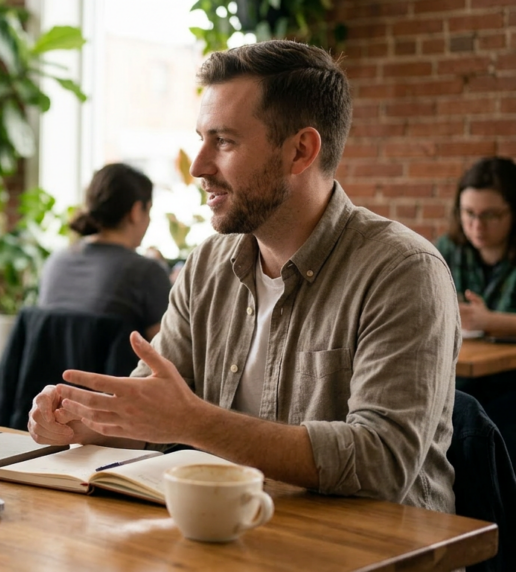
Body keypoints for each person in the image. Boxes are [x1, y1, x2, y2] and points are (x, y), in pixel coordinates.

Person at [28, 40, 459, 514]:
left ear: (300, 151)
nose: (198, 167)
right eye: (201, 139)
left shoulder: (403, 272)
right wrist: (82, 421)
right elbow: (155, 409)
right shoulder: (208, 264)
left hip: (379, 553)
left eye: (225, 141)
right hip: (234, 535)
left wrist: (195, 424)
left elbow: (381, 464)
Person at [38, 163, 171, 340]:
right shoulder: (147, 273)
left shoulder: (57, 260)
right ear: (137, 211)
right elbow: (168, 351)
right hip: (117, 369)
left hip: (55, 369)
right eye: (149, 210)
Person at [436, 157, 516, 335]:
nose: (478, 225)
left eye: (490, 215)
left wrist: (489, 321)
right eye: (469, 213)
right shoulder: (448, 248)